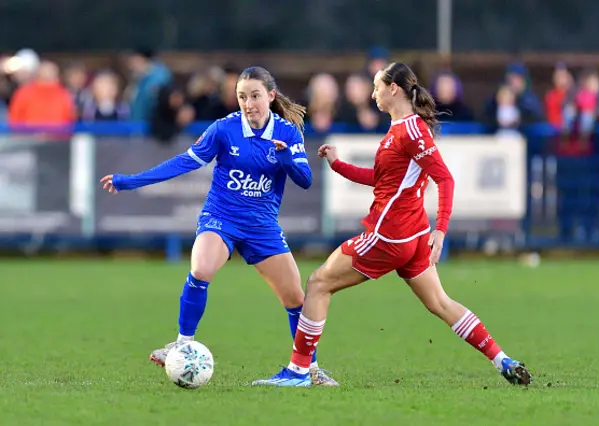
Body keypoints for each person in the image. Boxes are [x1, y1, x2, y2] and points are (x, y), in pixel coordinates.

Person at [253, 62, 532, 387]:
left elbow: (445, 179)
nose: (373, 94)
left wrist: (441, 230)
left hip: (390, 236)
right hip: (412, 237)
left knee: (317, 284)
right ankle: (503, 360)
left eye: (376, 87)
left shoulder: (410, 131)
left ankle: (299, 372)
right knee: (440, 303)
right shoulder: (401, 128)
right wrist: (337, 164)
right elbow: (381, 178)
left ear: (394, 89)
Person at [100, 66, 338, 386]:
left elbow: (305, 180)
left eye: (255, 95)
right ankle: (183, 342)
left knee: (296, 299)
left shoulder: (286, 133)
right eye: (242, 96)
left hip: (262, 225)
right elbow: (184, 162)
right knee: (201, 269)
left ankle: (309, 369)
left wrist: (285, 160)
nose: (248, 103)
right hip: (221, 217)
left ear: (270, 95)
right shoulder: (224, 129)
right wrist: (131, 181)